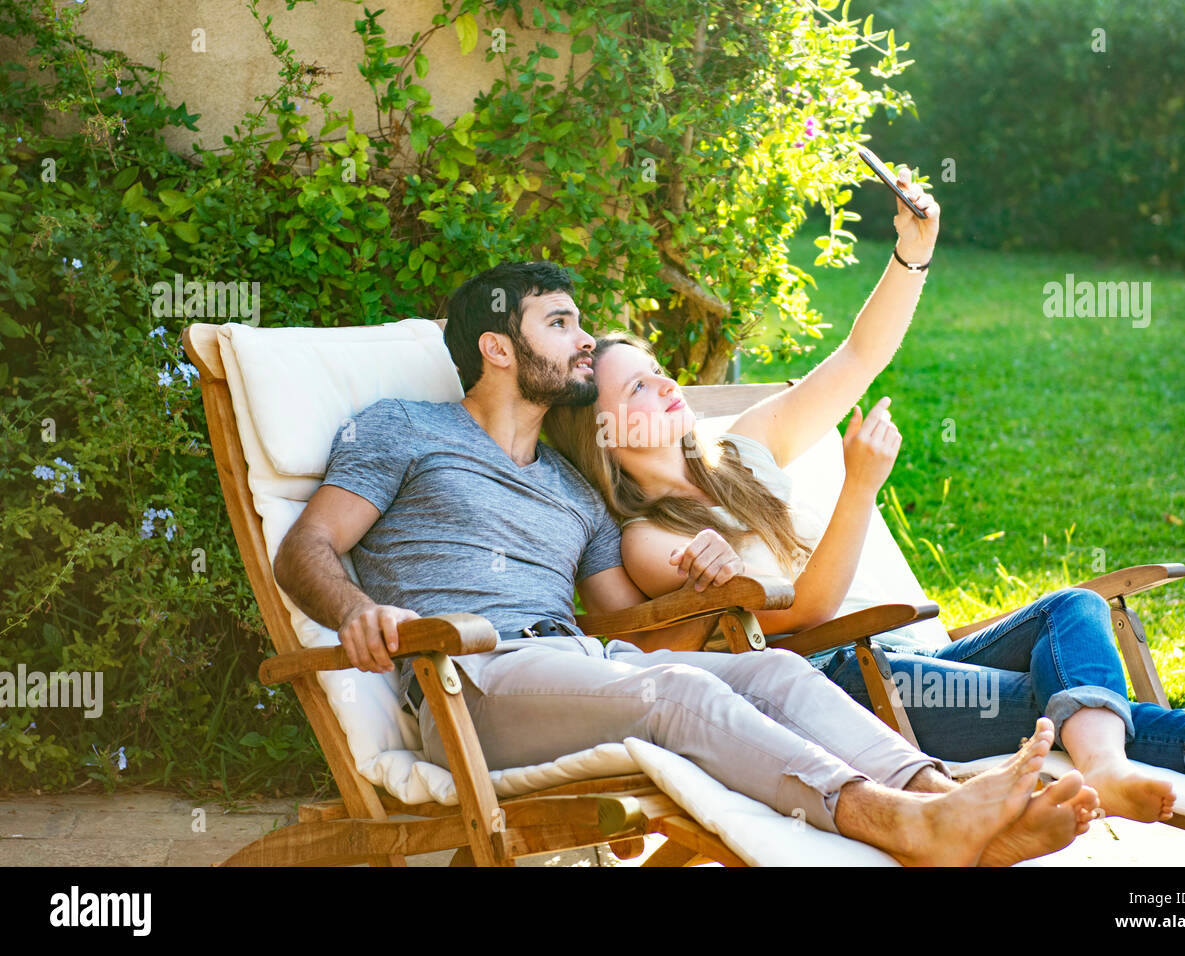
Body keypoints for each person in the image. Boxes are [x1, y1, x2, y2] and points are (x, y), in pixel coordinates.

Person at [273, 258, 1099, 866]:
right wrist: (358, 613)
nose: (584, 336)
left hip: (580, 662)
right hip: (469, 680)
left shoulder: (575, 489)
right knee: (679, 689)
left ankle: (945, 800)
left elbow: (618, 618)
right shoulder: (405, 430)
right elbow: (305, 547)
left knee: (772, 673)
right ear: (496, 347)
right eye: (558, 322)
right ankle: (892, 821)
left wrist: (704, 575)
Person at [543, 169, 1185, 825]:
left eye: (657, 367)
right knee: (1062, 696)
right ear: (602, 431)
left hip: (907, 654)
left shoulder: (742, 447)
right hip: (844, 683)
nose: (668, 382)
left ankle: (1134, 760)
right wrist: (859, 487)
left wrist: (914, 251)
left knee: (1074, 610)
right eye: (638, 384)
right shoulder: (645, 537)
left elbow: (859, 356)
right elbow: (803, 613)